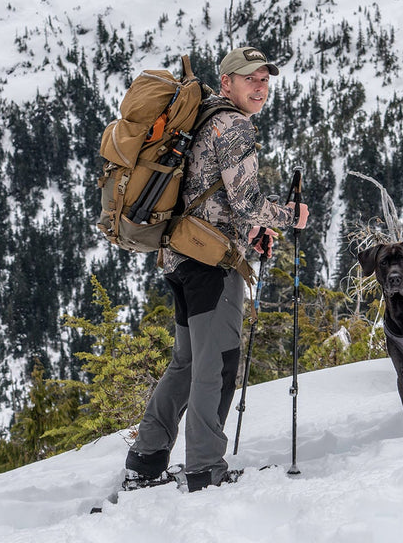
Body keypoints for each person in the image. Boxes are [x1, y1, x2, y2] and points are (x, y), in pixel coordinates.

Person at [124, 46, 310, 492]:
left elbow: (213, 196)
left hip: (179, 256)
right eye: (251, 79)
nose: (260, 88)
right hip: (209, 265)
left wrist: (249, 234)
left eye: (265, 80)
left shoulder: (203, 116)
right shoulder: (235, 127)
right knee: (218, 364)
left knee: (186, 363)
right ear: (226, 81)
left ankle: (146, 461)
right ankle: (205, 469)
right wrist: (291, 216)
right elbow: (246, 201)